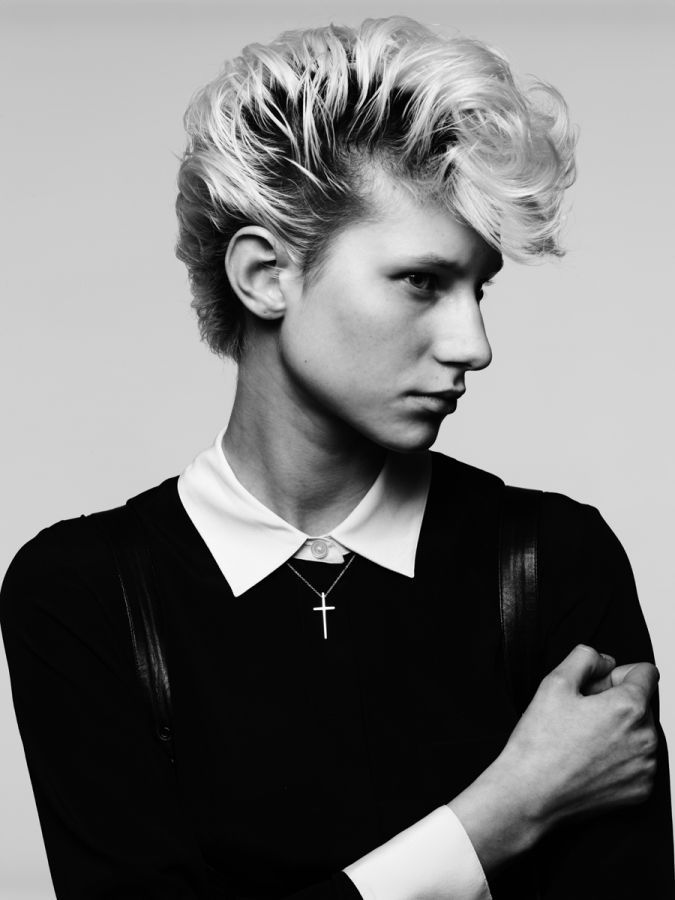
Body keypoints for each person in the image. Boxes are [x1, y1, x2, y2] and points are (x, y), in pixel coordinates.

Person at [1, 15, 673, 900]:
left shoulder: (553, 561)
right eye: (421, 281)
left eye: (479, 288)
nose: (473, 345)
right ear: (265, 275)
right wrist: (503, 813)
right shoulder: (82, 594)